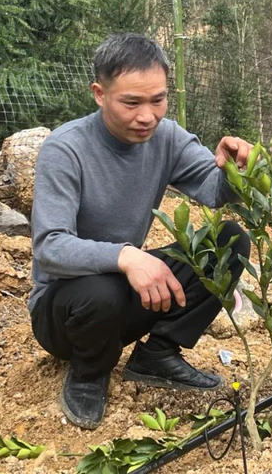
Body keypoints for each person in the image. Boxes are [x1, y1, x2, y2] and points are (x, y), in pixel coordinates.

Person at [29, 32, 252, 430]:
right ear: (99, 93)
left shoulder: (166, 138)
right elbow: (50, 247)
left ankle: (159, 354)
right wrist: (127, 255)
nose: (147, 115)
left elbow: (215, 192)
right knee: (103, 288)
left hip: (124, 295)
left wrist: (236, 169)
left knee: (229, 241)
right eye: (131, 102)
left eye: (158, 100)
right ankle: (88, 371)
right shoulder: (66, 149)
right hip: (65, 314)